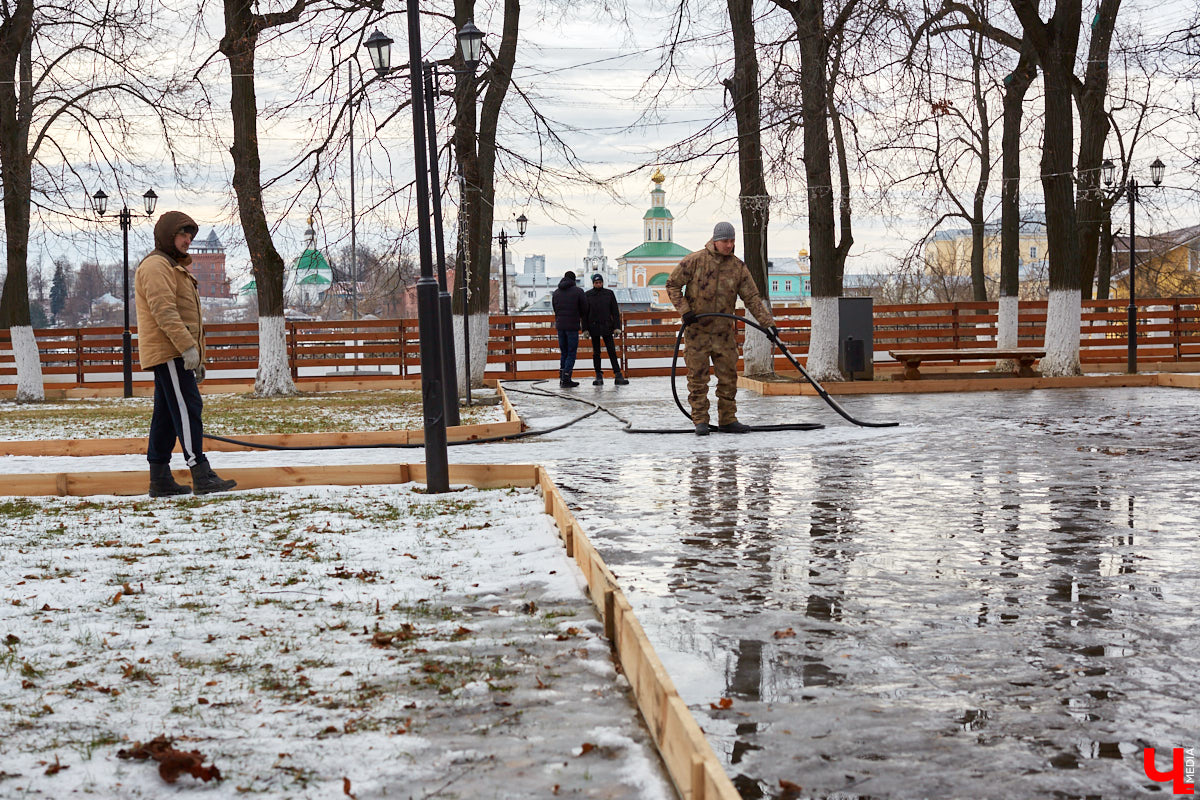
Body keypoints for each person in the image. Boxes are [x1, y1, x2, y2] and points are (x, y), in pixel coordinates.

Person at [135, 211, 237, 496]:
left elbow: (185, 314)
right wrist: (187, 349)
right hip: (170, 351)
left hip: (176, 351)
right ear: (168, 236)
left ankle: (160, 479)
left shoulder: (171, 266)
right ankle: (200, 472)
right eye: (183, 234)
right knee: (188, 407)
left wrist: (196, 356)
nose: (188, 240)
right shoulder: (157, 266)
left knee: (167, 415)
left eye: (190, 235)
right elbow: (165, 312)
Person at [666, 221, 778, 436]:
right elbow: (672, 284)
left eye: (732, 241)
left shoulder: (738, 267)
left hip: (724, 333)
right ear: (715, 241)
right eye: (725, 241)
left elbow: (752, 298)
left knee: (728, 377)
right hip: (697, 332)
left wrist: (769, 324)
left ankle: (728, 419)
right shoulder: (695, 261)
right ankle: (700, 420)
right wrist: (685, 310)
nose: (729, 245)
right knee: (697, 378)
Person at [584, 273, 628, 386]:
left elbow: (615, 312)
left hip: (607, 326)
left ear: (602, 282)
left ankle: (618, 374)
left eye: (600, 282)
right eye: (596, 282)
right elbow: (584, 314)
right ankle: (598, 375)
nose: (598, 284)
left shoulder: (609, 294)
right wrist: (585, 329)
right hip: (593, 327)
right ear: (593, 283)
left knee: (611, 351)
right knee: (596, 353)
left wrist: (617, 327)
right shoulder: (588, 295)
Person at [551, 270, 589, 388]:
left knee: (564, 352)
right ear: (573, 280)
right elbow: (585, 308)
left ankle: (562, 377)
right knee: (571, 352)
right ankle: (567, 377)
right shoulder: (578, 292)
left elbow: (555, 309)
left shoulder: (556, 293)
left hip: (560, 326)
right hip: (572, 326)